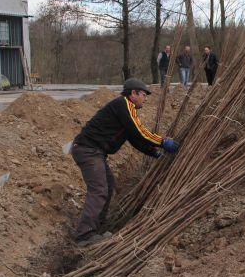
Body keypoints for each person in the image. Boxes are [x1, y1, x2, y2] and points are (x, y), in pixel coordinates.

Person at [70, 78, 180, 244]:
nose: (146, 98)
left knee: (108, 185)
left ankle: (95, 229)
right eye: (143, 94)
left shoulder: (127, 109)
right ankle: (85, 235)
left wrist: (155, 153)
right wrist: (163, 141)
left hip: (94, 151)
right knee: (99, 189)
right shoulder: (124, 104)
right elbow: (140, 132)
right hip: (88, 150)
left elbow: (135, 139)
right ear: (133, 93)